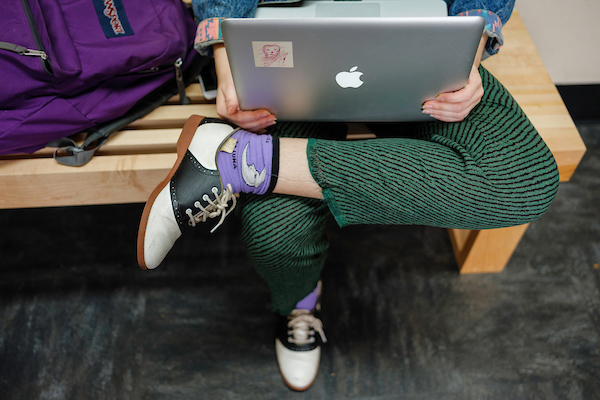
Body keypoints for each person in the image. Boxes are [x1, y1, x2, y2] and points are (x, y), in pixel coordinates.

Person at [137, 0, 559, 391]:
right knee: (274, 235)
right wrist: (225, 53)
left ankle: (239, 159)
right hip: (294, 47)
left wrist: (470, 46)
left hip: (417, 50)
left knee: (525, 181)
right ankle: (297, 302)